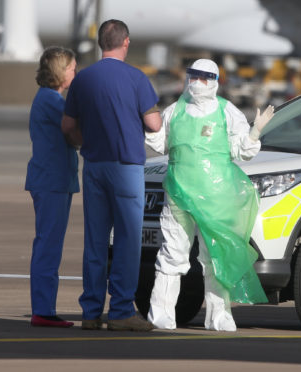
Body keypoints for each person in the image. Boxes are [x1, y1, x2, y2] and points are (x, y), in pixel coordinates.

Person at [146, 59, 274, 331]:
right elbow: (160, 144)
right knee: (172, 254)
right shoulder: (175, 110)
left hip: (215, 200)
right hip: (178, 196)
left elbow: (243, 151)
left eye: (205, 77)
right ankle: (160, 314)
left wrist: (255, 131)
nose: (198, 82)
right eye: (193, 75)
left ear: (215, 80)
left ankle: (219, 316)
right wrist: (146, 123)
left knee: (215, 256)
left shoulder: (227, 112)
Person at [61, 19, 162, 331]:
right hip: (126, 167)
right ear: (126, 42)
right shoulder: (136, 78)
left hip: (93, 165)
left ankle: (91, 310)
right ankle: (120, 311)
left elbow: (67, 126)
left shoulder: (84, 79)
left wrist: (82, 141)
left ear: (100, 43)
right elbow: (155, 125)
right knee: (128, 240)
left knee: (95, 239)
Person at [25, 46, 78, 328]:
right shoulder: (52, 100)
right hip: (52, 181)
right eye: (72, 68)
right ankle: (43, 310)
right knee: (48, 244)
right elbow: (74, 131)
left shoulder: (49, 98)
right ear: (60, 71)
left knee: (49, 243)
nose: (75, 72)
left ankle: (44, 307)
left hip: (54, 180)